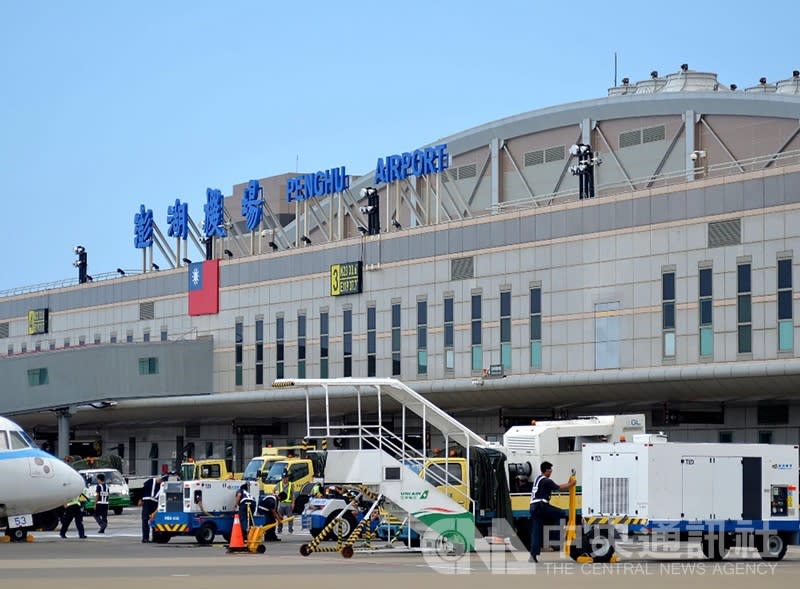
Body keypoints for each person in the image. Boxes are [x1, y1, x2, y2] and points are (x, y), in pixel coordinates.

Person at [528, 461, 575, 562]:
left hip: (533, 507)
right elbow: (559, 488)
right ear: (547, 471)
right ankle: (555, 539)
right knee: (561, 513)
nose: (551, 472)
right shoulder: (546, 481)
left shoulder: (537, 479)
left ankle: (533, 556)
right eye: (550, 470)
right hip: (541, 505)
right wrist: (571, 484)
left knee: (536, 531)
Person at [139, 473, 167, 543]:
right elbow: (143, 490)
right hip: (147, 502)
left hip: (155, 504)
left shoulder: (162, 486)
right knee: (145, 520)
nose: (161, 482)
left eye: (163, 481)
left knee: (154, 520)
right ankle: (145, 538)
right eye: (161, 480)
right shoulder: (150, 482)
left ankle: (155, 537)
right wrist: (141, 499)